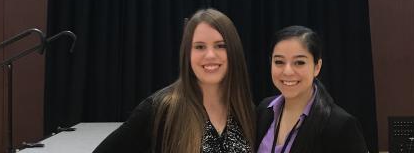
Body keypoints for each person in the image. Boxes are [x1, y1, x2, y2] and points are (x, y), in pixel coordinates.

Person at [93, 8, 255, 153]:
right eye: (199, 47)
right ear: (187, 54)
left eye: (221, 46)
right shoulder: (160, 109)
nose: (210, 55)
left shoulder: (245, 110)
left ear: (234, 51)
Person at [256, 26, 368, 153]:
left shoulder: (340, 125)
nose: (287, 71)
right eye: (279, 62)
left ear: (317, 67)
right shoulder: (263, 110)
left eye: (299, 62)